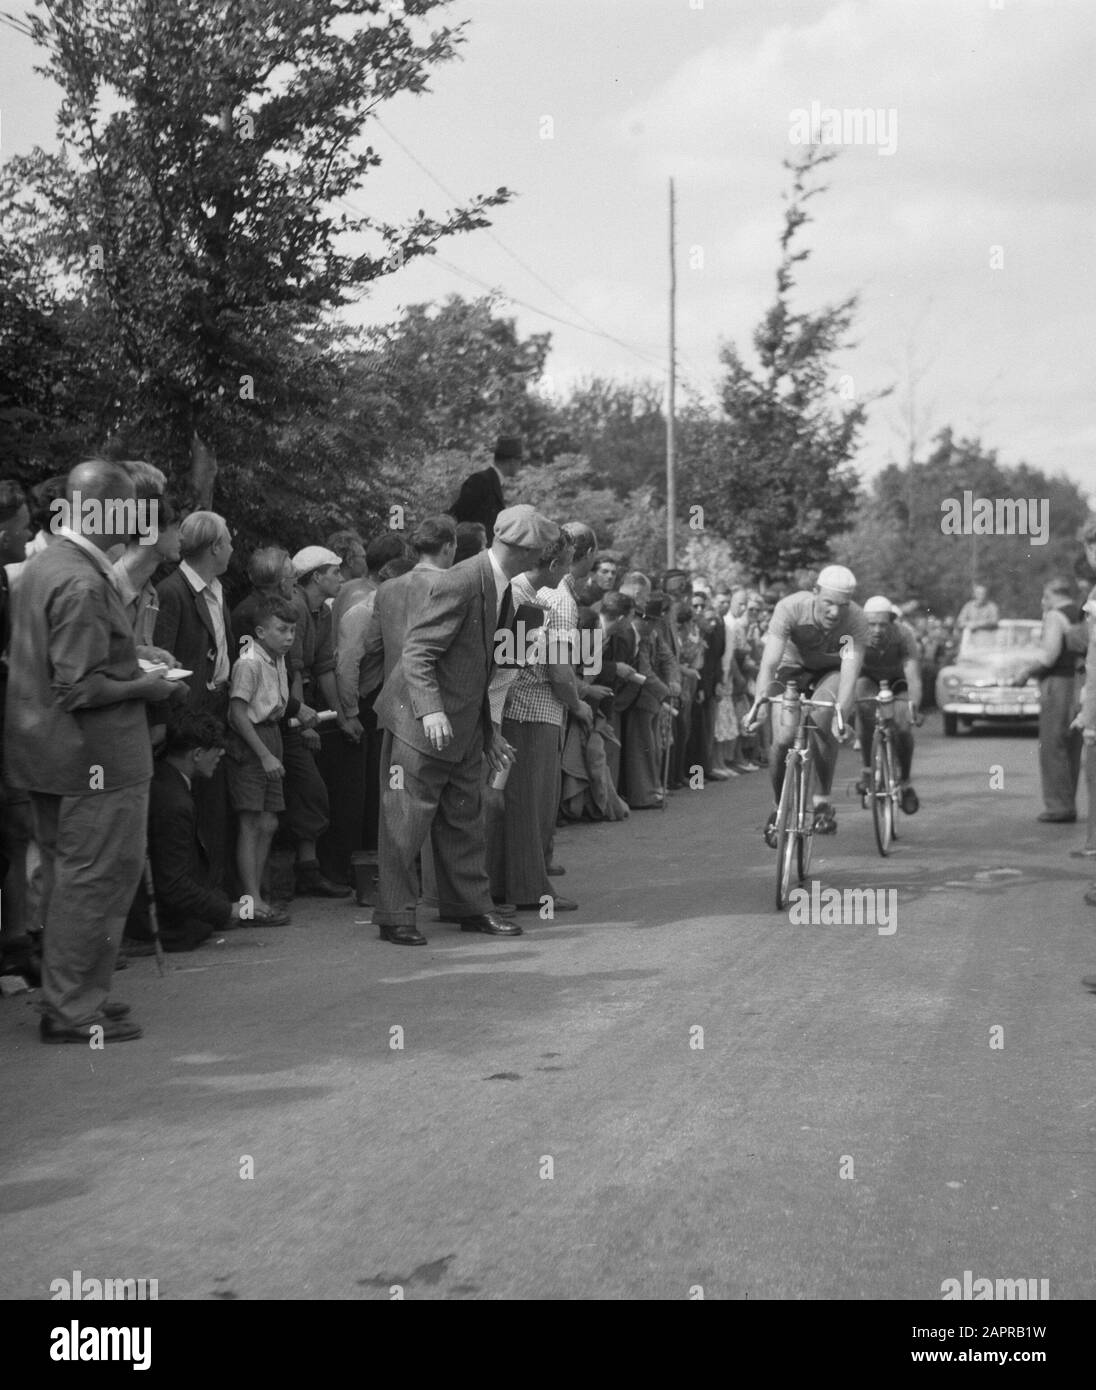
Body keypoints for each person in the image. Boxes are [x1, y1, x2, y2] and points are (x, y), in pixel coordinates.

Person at [5, 460, 184, 1043]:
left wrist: (134, 656)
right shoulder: (81, 578)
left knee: (72, 878)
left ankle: (78, 995)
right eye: (130, 505)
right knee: (96, 880)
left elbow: (75, 659)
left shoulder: (48, 564)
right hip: (94, 763)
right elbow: (79, 686)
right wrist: (149, 686)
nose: (138, 519)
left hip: (52, 756)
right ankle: (72, 1009)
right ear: (104, 508)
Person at [370, 503, 557, 945]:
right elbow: (419, 653)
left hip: (459, 723)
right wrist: (432, 711)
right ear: (524, 549)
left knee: (464, 819)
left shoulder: (499, 585)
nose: (543, 559)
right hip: (420, 721)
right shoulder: (462, 579)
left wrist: (488, 733)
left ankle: (471, 908)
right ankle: (394, 915)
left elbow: (479, 669)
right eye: (541, 551)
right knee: (405, 820)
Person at [487, 530, 582, 910]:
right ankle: (531, 889)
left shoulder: (511, 589)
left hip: (506, 711)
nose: (571, 569)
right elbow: (559, 672)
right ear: (555, 563)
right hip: (533, 713)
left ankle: (505, 885)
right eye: (569, 560)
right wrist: (578, 704)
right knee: (532, 805)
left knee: (509, 802)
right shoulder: (554, 600)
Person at [745, 565, 868, 844]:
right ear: (815, 594)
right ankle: (779, 809)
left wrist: (842, 717)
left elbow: (850, 675)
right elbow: (770, 662)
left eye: (842, 606)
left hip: (830, 673)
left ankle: (822, 801)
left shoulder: (856, 620)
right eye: (828, 603)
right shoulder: (790, 608)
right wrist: (760, 704)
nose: (835, 613)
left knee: (825, 714)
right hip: (791, 668)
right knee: (785, 736)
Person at [155, 510, 236, 889]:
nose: (233, 548)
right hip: (188, 721)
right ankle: (197, 898)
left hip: (215, 714)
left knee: (214, 811)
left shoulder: (219, 590)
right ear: (215, 546)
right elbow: (163, 659)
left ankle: (214, 895)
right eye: (228, 541)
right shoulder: (172, 592)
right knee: (190, 812)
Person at [127, 711, 244, 953]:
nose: (221, 754)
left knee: (219, 900)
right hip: (151, 918)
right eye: (216, 748)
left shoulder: (164, 780)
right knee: (214, 914)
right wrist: (228, 911)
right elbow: (174, 884)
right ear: (197, 754)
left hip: (146, 904)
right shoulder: (174, 802)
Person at [226, 594, 297, 925]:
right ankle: (250, 899)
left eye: (292, 631)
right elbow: (237, 714)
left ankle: (258, 892)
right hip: (253, 741)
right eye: (281, 630)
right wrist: (265, 754)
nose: (288, 637)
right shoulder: (249, 662)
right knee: (251, 822)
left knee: (268, 822)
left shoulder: (277, 658)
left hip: (272, 733)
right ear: (260, 631)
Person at [1011, 577, 1082, 823]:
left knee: (1053, 746)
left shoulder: (1055, 616)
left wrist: (1025, 672)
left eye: (1045, 596)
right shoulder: (1081, 613)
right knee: (1072, 746)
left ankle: (1058, 806)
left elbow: (1049, 655)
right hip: (1080, 682)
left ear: (1052, 595)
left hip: (1058, 684)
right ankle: (1068, 801)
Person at [854, 596, 923, 813]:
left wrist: (914, 708)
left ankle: (905, 782)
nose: (876, 630)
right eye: (871, 624)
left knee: (903, 727)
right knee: (865, 712)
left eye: (882, 624)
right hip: (868, 679)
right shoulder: (854, 634)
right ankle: (867, 769)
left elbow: (913, 676)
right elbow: (847, 671)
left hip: (897, 681)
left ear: (892, 622)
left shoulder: (904, 635)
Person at [449, 436, 522, 540]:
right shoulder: (480, 481)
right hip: (473, 551)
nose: (520, 465)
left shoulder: (494, 482)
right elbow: (458, 515)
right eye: (520, 460)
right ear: (512, 461)